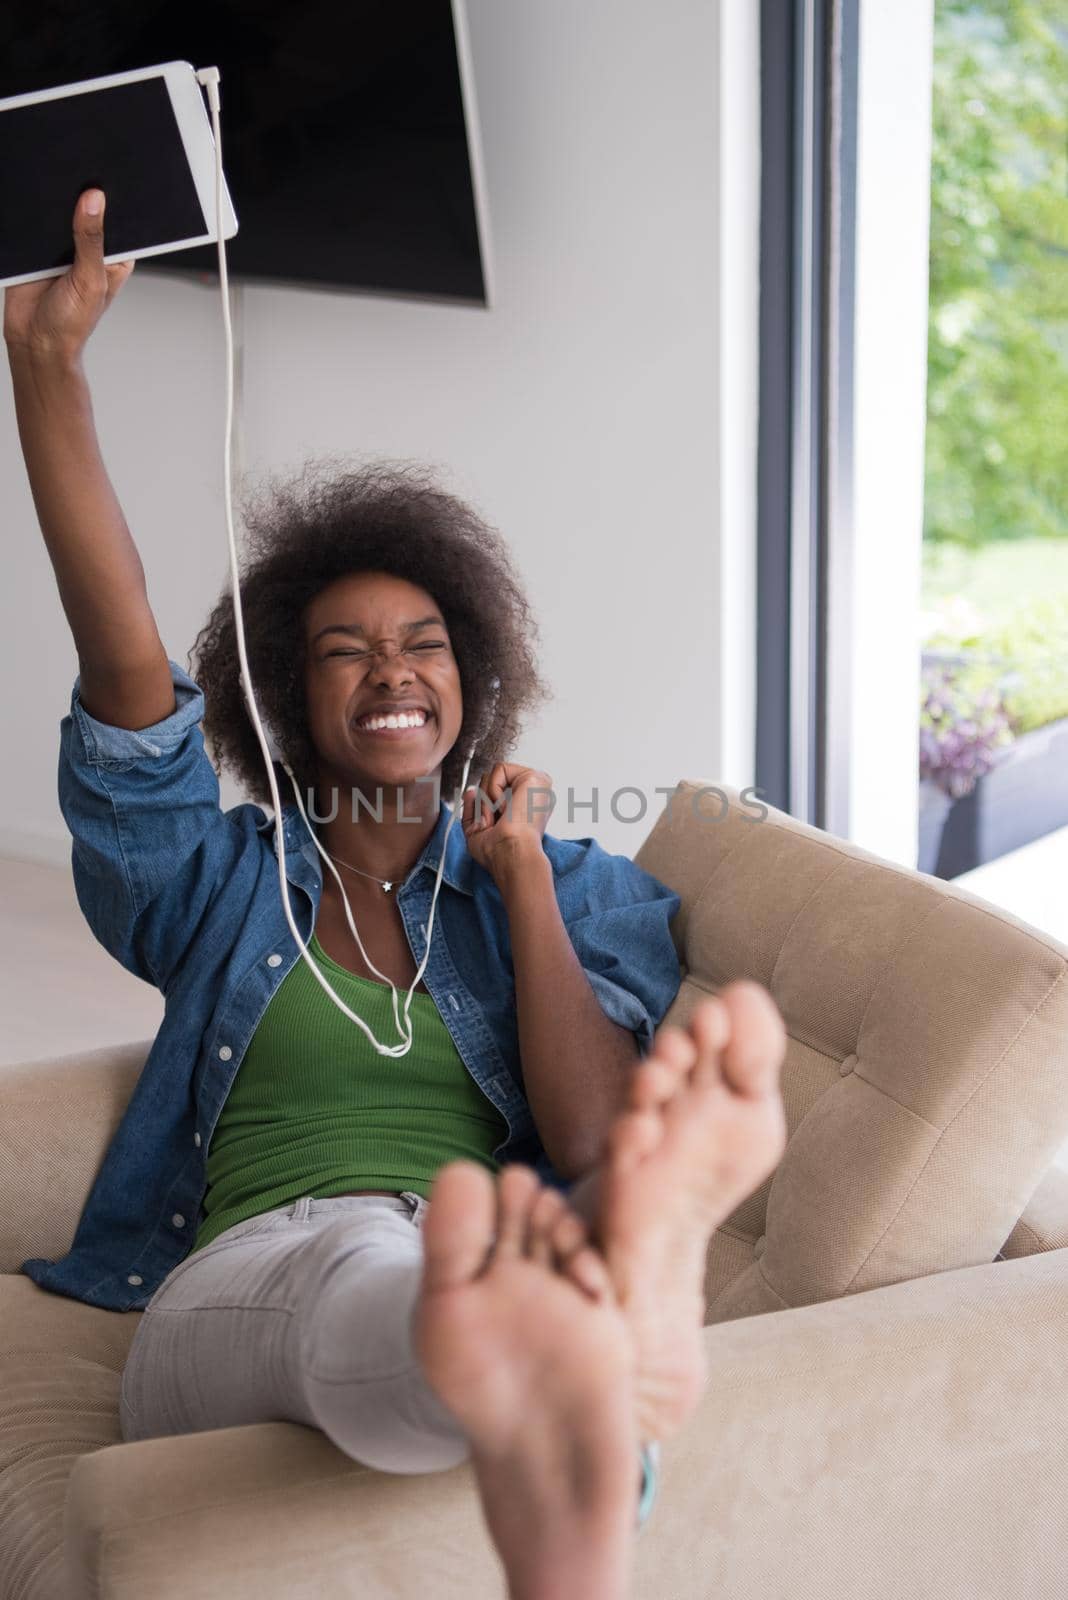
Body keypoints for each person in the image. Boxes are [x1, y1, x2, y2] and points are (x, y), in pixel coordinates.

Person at [5, 190, 789, 1600]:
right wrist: (48, 374)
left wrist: (524, 891)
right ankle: (557, 1353)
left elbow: (604, 1140)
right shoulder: (215, 883)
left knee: (434, 1270)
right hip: (234, 1290)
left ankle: (546, 1388)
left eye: (426, 645)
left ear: (470, 684)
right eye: (345, 651)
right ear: (288, 706)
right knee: (370, 1267)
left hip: (456, 1260)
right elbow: (126, 675)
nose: (393, 673)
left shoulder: (576, 889)